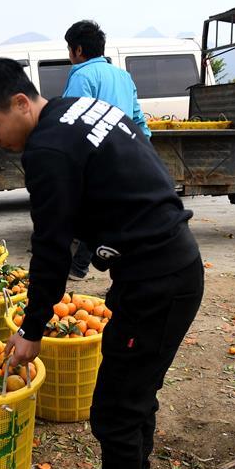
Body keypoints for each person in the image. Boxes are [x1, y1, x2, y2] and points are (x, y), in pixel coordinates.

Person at [0, 57, 204, 469]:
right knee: (134, 396)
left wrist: (32, 328)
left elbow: (50, 247)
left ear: (21, 103)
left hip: (156, 280)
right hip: (163, 268)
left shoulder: (48, 148)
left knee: (116, 408)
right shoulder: (79, 109)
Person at [63, 20, 152, 281]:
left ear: (78, 49)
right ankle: (109, 269)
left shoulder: (81, 75)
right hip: (126, 155)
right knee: (112, 212)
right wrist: (143, 148)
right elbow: (138, 118)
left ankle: (78, 266)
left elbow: (75, 120)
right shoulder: (123, 76)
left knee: (93, 212)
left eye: (69, 48)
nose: (69, 55)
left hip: (95, 157)